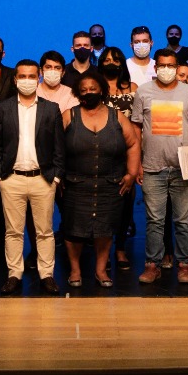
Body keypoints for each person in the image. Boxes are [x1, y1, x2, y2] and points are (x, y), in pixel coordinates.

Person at [0, 59, 67, 296]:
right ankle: (14, 274)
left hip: (43, 179)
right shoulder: (3, 108)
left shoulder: (50, 108)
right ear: (15, 80)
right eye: (22, 76)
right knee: (13, 232)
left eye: (32, 76)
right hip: (11, 179)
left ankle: (47, 275)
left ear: (38, 78)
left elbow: (59, 147)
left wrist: (56, 177)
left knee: (45, 231)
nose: (27, 80)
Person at [61, 70, 140, 289]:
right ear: (78, 93)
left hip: (110, 184)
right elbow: (55, 147)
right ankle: (75, 270)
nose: (89, 92)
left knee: (105, 230)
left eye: (93, 89)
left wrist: (131, 173)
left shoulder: (117, 116)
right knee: (73, 230)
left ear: (102, 91)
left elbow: (133, 143)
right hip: (75, 184)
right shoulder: (69, 115)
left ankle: (101, 270)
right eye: (84, 90)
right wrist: (58, 176)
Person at [131, 49, 188, 284]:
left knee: (183, 221)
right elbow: (136, 129)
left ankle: (184, 265)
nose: (166, 69)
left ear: (176, 67)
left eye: (171, 66)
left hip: (183, 167)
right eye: (162, 65)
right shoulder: (143, 92)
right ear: (155, 68)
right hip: (152, 167)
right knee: (155, 221)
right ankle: (152, 265)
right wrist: (137, 163)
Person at [99, 46, 139, 270]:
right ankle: (103, 252)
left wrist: (138, 160)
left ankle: (121, 248)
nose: (111, 63)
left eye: (115, 60)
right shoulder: (95, 88)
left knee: (126, 203)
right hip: (101, 153)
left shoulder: (133, 88)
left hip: (127, 154)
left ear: (122, 63)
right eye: (106, 60)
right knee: (103, 205)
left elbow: (138, 124)